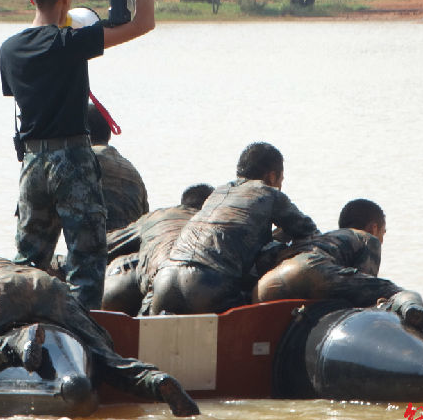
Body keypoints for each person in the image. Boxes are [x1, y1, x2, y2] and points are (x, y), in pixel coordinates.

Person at [0, 0, 156, 310]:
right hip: (72, 159)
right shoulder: (70, 42)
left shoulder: (8, 49)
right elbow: (144, 23)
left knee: (28, 263)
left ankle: (22, 329)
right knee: (85, 265)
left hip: (32, 165)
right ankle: (83, 339)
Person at [0, 242, 200, 417]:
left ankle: (13, 345)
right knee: (103, 356)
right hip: (50, 286)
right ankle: (156, 381)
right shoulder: (5, 264)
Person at [253, 198, 423, 344]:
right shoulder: (366, 238)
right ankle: (411, 308)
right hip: (313, 271)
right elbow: (363, 297)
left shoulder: (324, 237)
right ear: (374, 228)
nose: (381, 239)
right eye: (383, 232)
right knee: (394, 291)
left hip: (267, 285)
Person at [149, 143, 319, 315]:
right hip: (208, 285)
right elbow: (308, 231)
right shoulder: (268, 193)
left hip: (164, 282)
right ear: (273, 176)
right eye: (281, 180)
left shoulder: (217, 193)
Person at [102, 183, 214, 315]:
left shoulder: (157, 216)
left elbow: (106, 245)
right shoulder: (212, 223)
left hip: (137, 286)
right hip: (198, 289)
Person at [88, 102, 149, 231]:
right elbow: (145, 217)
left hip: (96, 248)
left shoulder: (81, 162)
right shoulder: (131, 169)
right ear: (109, 133)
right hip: (132, 246)